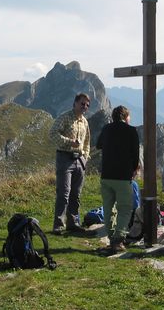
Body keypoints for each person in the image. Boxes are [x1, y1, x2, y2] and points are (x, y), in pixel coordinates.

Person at [96, 105, 140, 253]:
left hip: (106, 174)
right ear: (126, 117)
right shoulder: (131, 130)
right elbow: (135, 154)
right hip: (122, 175)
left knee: (108, 207)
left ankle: (111, 236)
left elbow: (99, 144)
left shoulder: (106, 128)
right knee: (125, 208)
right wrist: (133, 169)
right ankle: (119, 239)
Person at [49, 93, 92, 234]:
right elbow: (53, 133)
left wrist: (85, 156)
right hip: (65, 158)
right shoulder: (65, 117)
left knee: (76, 193)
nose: (84, 107)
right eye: (82, 103)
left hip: (79, 159)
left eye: (87, 105)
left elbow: (87, 141)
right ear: (75, 103)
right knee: (64, 193)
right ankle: (59, 225)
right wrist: (69, 142)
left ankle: (73, 223)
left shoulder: (85, 122)